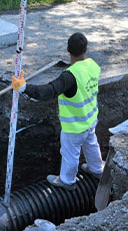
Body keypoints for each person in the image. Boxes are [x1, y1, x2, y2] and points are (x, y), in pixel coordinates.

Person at [11, 32, 104, 191]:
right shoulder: (93, 65)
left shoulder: (70, 76)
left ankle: (67, 181)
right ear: (86, 48)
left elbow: (48, 91)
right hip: (90, 119)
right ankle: (97, 169)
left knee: (70, 154)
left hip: (74, 126)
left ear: (68, 50)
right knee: (91, 144)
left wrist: (24, 87)